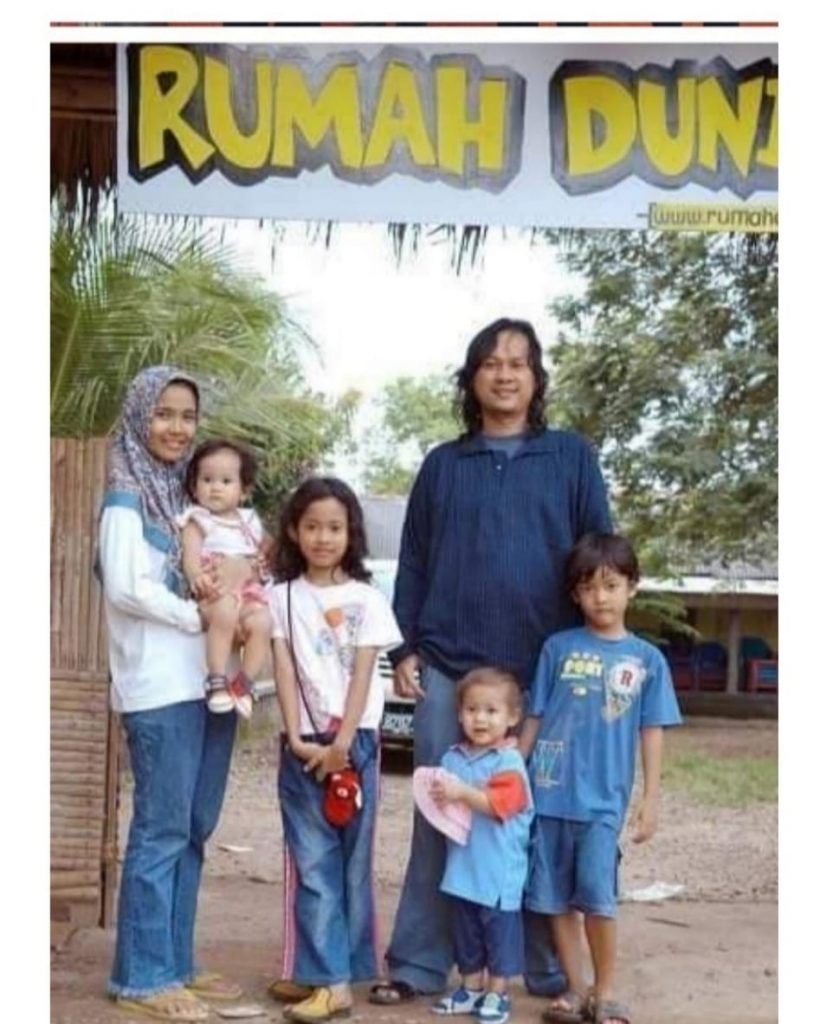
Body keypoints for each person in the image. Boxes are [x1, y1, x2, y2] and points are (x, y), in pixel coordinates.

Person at [370, 317, 612, 1006]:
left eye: (518, 363)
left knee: (535, 819)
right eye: (491, 363)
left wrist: (593, 648)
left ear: (536, 379)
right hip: (451, 667)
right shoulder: (444, 465)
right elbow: (414, 561)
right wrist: (406, 648)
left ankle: (543, 969)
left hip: (545, 674)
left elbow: (598, 555)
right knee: (440, 813)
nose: (505, 374)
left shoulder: (571, 457)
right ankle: (418, 964)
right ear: (472, 378)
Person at [98, 366, 241, 1021]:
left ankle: (176, 963)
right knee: (160, 830)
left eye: (187, 415)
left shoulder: (189, 501)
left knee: (193, 828)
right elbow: (127, 586)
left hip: (208, 684)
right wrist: (197, 616)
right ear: (138, 416)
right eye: (163, 413)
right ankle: (141, 976)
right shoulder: (126, 496)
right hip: (158, 687)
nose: (176, 427)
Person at [519, 533, 683, 1024]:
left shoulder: (647, 660)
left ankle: (605, 991)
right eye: (588, 588)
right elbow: (535, 715)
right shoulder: (557, 648)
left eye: (611, 586)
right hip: (547, 796)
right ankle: (575, 988)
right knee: (554, 901)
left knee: (597, 898)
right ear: (575, 594)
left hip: (602, 804)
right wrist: (511, 773)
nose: (600, 597)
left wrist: (650, 799)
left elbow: (652, 731)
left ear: (632, 587)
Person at [269, 477, 403, 1024]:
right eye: (312, 527)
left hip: (356, 743)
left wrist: (343, 744)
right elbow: (282, 668)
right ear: (293, 532)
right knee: (311, 862)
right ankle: (322, 973)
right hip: (302, 744)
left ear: (351, 534)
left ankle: (337, 976)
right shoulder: (280, 596)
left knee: (350, 864)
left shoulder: (368, 600)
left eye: (334, 527)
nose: (323, 538)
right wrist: (295, 735)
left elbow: (365, 675)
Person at [421, 668, 533, 1024]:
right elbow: (440, 800)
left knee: (499, 935)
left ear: (512, 718)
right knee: (466, 932)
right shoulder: (452, 758)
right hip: (463, 868)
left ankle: (497, 992)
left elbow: (499, 806)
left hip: (499, 874)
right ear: (459, 714)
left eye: (491, 710)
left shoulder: (509, 762)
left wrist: (460, 793)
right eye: (471, 709)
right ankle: (470, 987)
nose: (480, 719)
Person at [179, 438, 272, 719]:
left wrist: (261, 561)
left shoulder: (249, 521)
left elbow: (265, 551)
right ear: (194, 486)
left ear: (244, 490)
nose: (215, 487)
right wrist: (196, 575)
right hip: (215, 591)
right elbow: (190, 556)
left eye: (226, 481)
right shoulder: (198, 519)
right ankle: (217, 679)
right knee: (226, 609)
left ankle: (244, 684)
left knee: (263, 621)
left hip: (248, 591)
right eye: (207, 480)